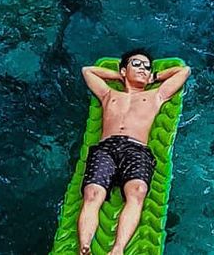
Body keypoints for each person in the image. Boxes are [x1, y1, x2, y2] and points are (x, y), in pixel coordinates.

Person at [77, 48, 191, 255]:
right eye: (136, 64)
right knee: (93, 193)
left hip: (137, 148)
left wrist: (153, 77)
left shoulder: (156, 95)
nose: (142, 69)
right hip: (106, 148)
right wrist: (120, 75)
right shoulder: (108, 94)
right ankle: (84, 246)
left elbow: (184, 71)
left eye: (147, 67)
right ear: (123, 71)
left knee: (137, 191)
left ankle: (118, 248)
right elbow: (88, 71)